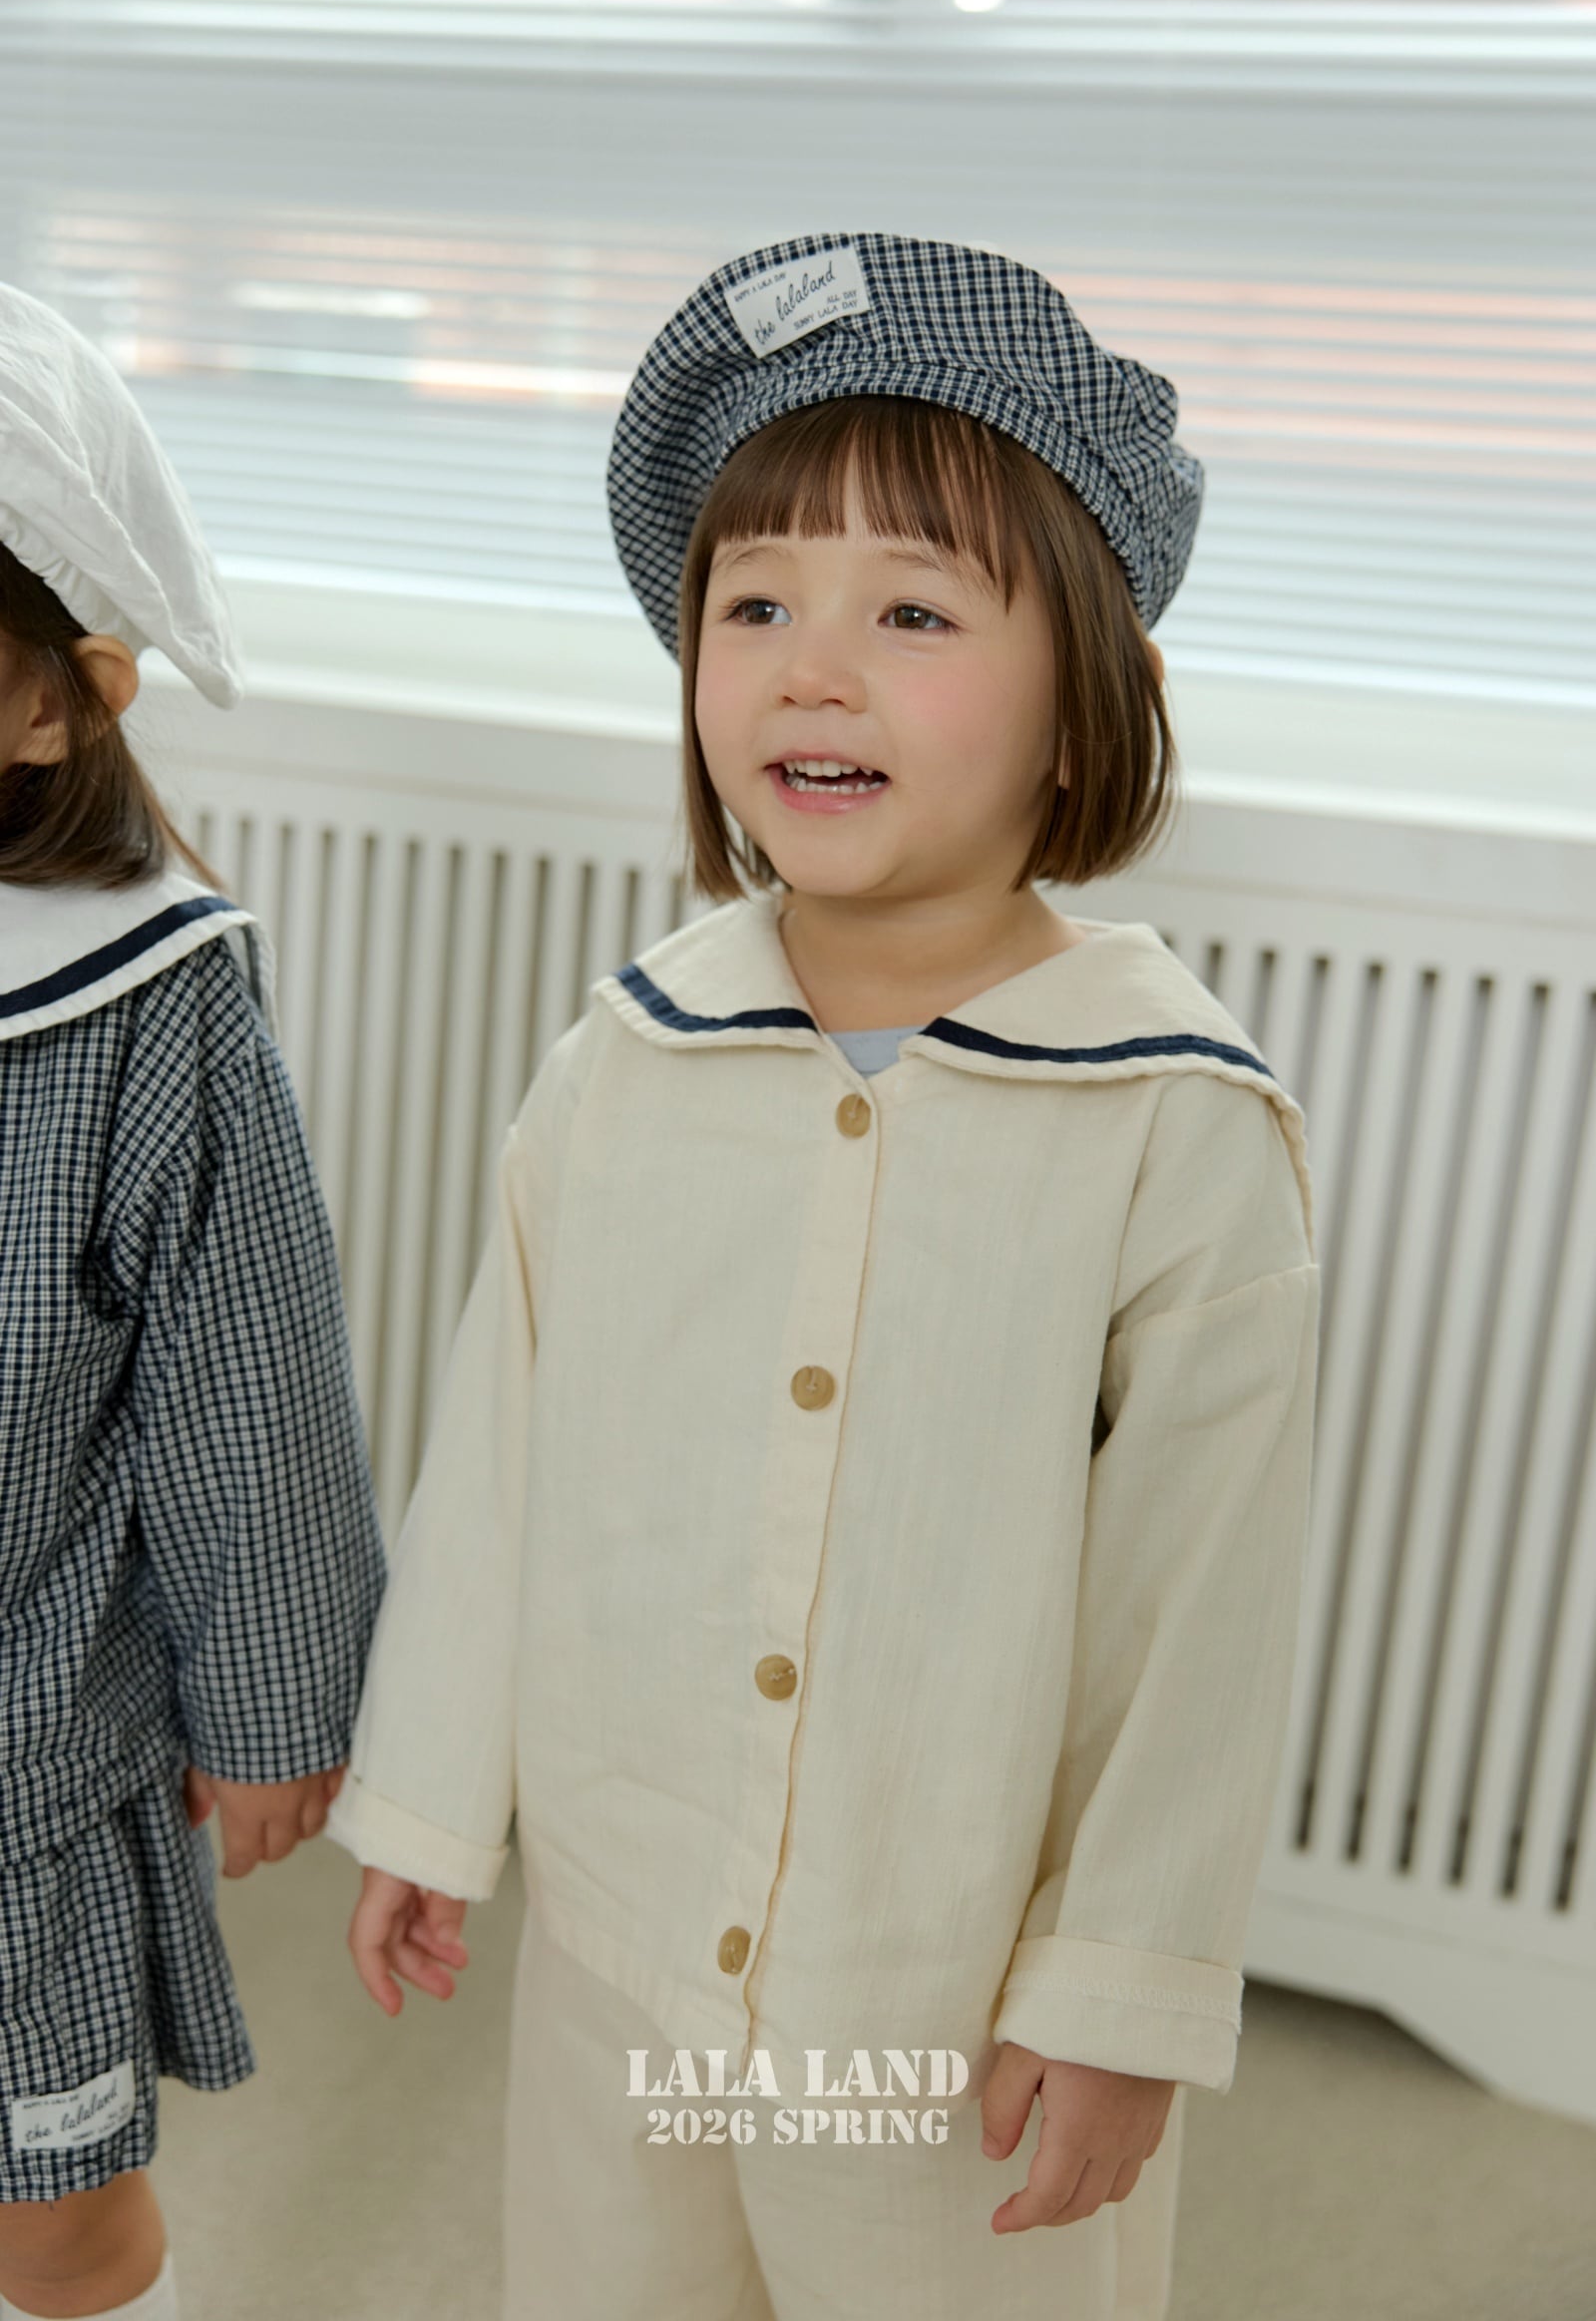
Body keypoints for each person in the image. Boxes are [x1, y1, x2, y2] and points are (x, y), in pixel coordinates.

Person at [329, 230, 1322, 2321]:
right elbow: (503, 1450)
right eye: (755, 604)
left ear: (1083, 708)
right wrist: (429, 1795)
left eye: (914, 612)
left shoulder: (1171, 1124)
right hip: (623, 1947)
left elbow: (1198, 1612)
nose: (810, 667)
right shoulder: (622, 1064)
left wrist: (1120, 1994)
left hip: (944, 2004)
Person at [0, 283, 386, 2321]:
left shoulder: (142, 1006)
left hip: (24, 1749)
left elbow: (243, 1388)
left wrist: (267, 1709)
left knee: (53, 2214)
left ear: (51, 702)